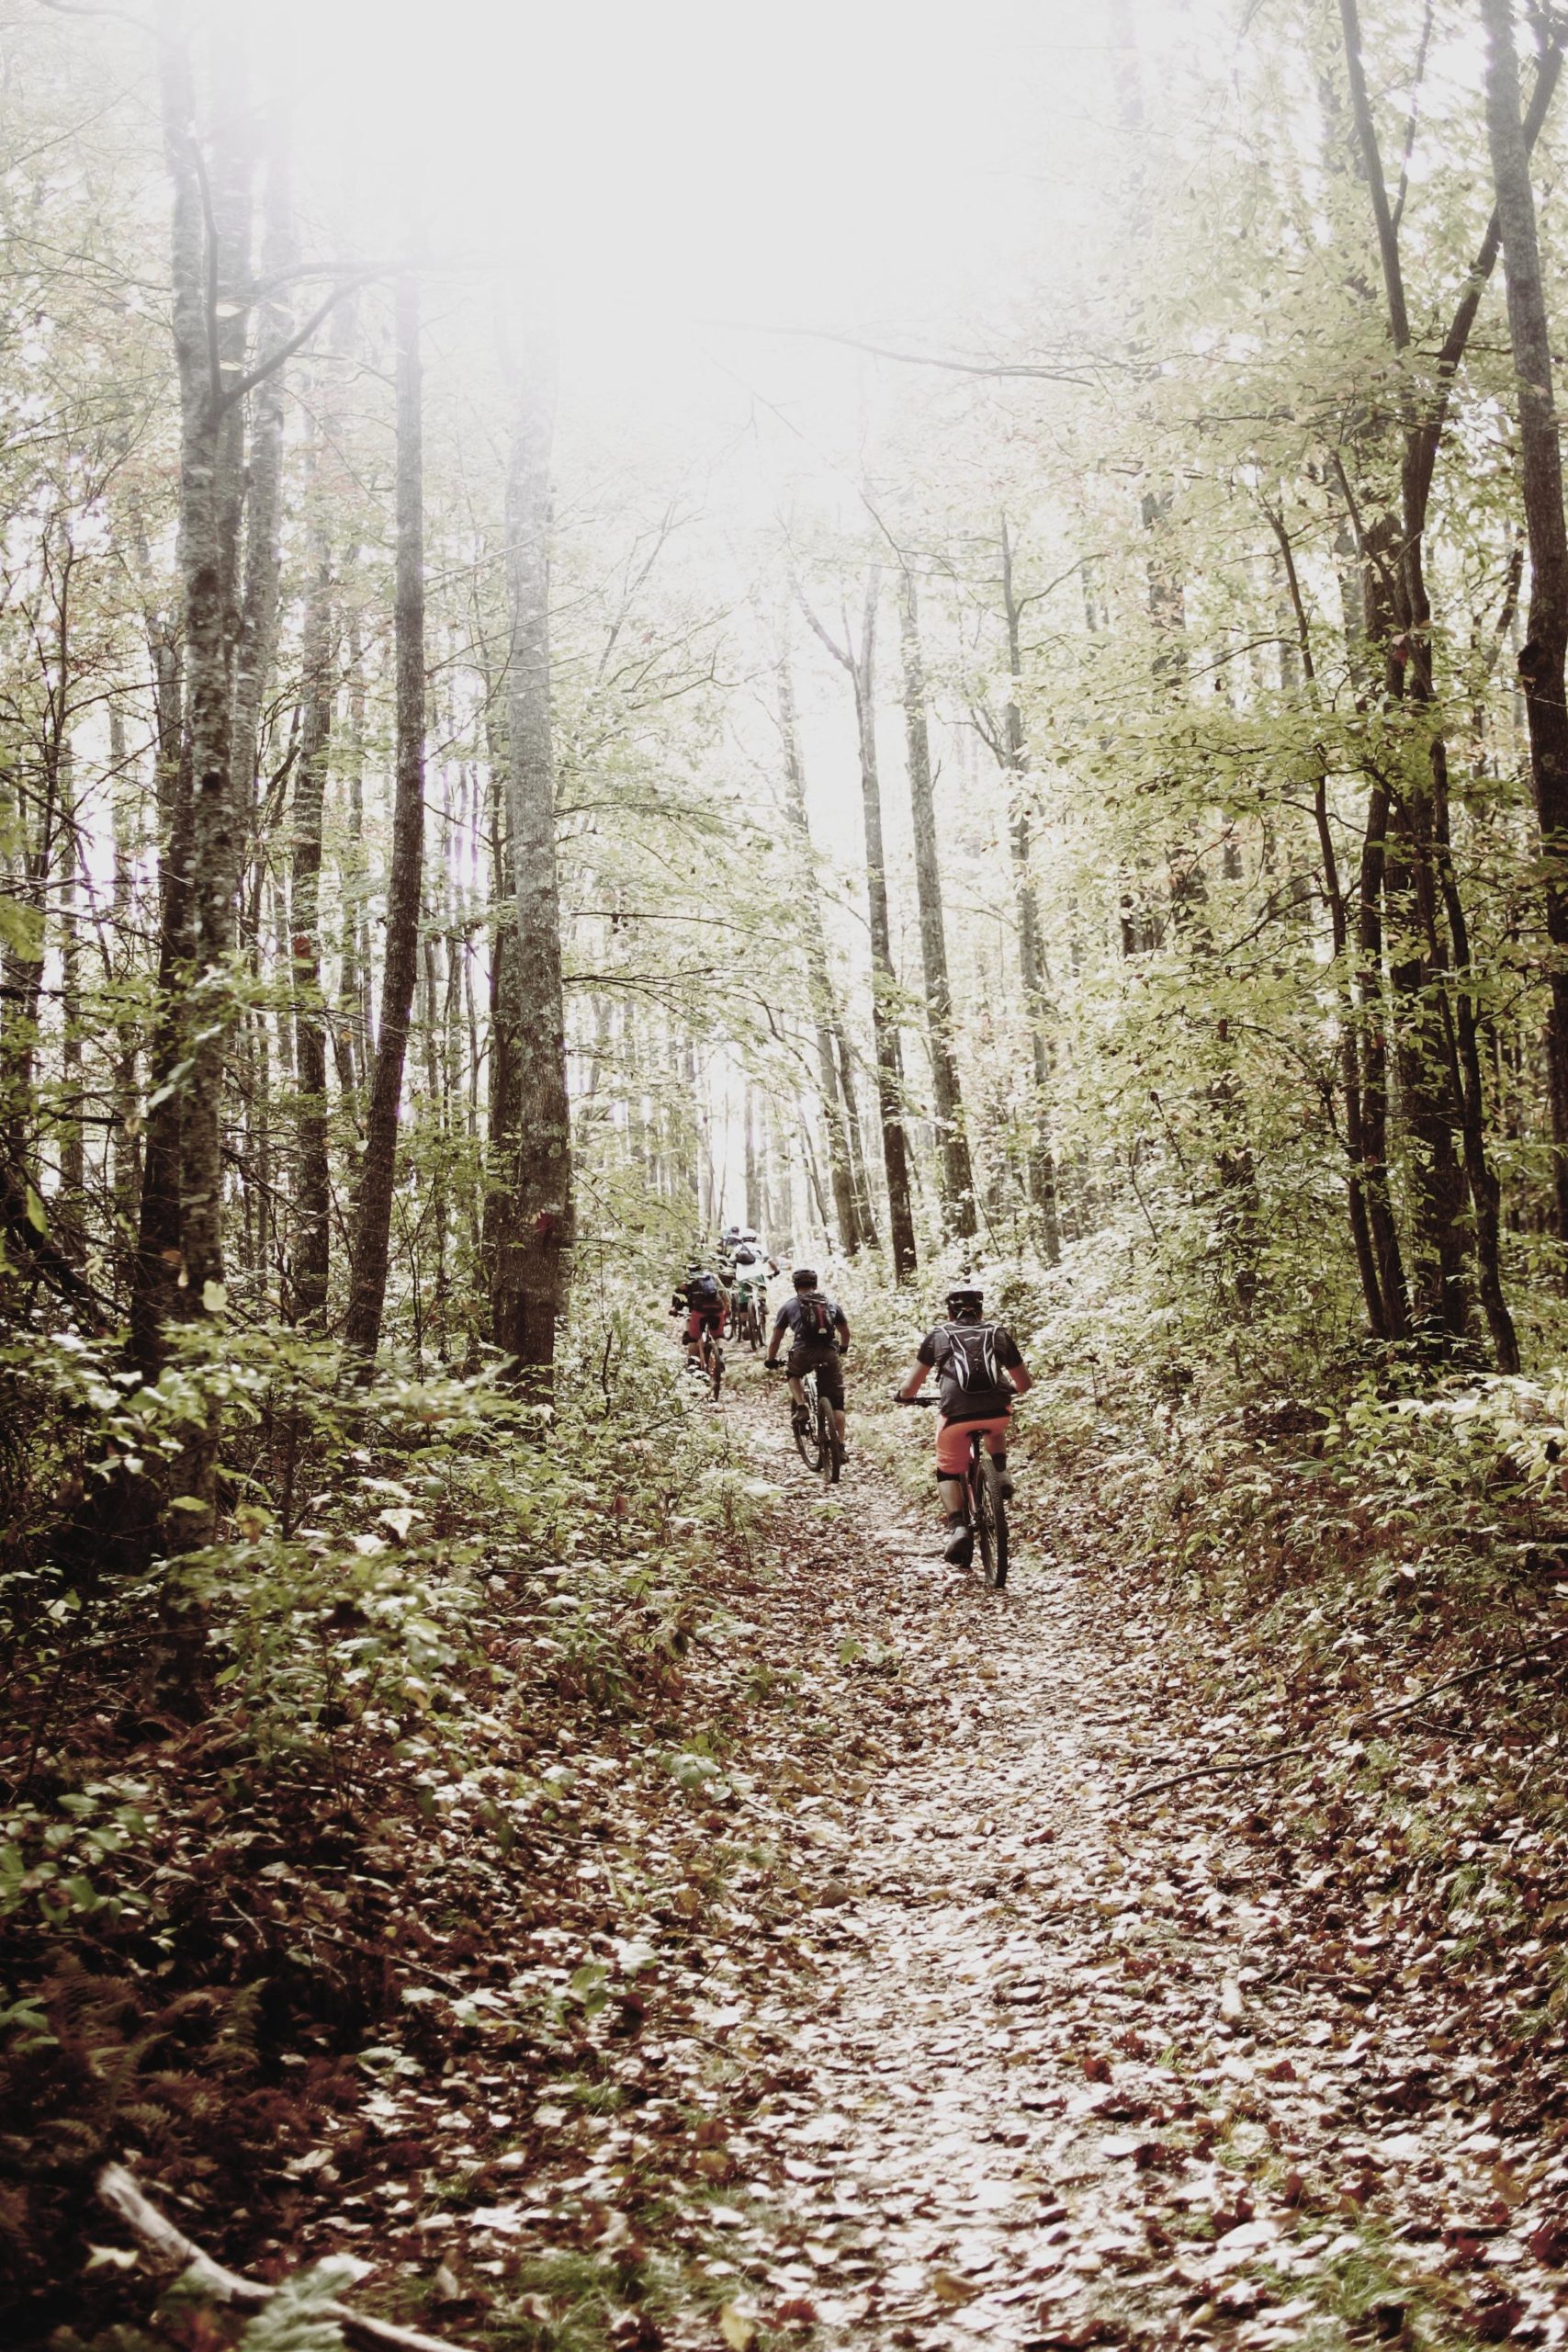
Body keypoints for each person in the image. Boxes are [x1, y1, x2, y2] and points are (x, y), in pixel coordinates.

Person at [896, 1283, 1032, 1565]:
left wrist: (904, 1397)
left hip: (956, 1416)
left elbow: (911, 1387)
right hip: (997, 1411)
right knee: (995, 1422)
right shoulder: (997, 1333)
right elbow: (1025, 1383)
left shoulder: (938, 1335)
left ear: (949, 1312)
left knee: (946, 1471)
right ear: (981, 1311)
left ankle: (958, 1527)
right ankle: (1001, 1472)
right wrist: (1008, 1391)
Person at [765, 1267, 850, 1447]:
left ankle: (802, 1406)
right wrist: (842, 1348)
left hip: (802, 1352)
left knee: (793, 1374)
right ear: (815, 1284)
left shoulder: (789, 1306)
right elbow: (845, 1332)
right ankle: (840, 1446)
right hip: (829, 1352)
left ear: (795, 1286)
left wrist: (770, 1360)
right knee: (837, 1404)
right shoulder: (830, 1304)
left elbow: (776, 1339)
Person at [670, 1261, 725, 1373]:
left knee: (693, 1338)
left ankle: (691, 1364)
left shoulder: (687, 1280)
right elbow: (723, 1292)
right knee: (718, 1335)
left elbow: (681, 1297)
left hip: (700, 1310)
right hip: (717, 1308)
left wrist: (676, 1309)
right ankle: (719, 1357)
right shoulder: (712, 1276)